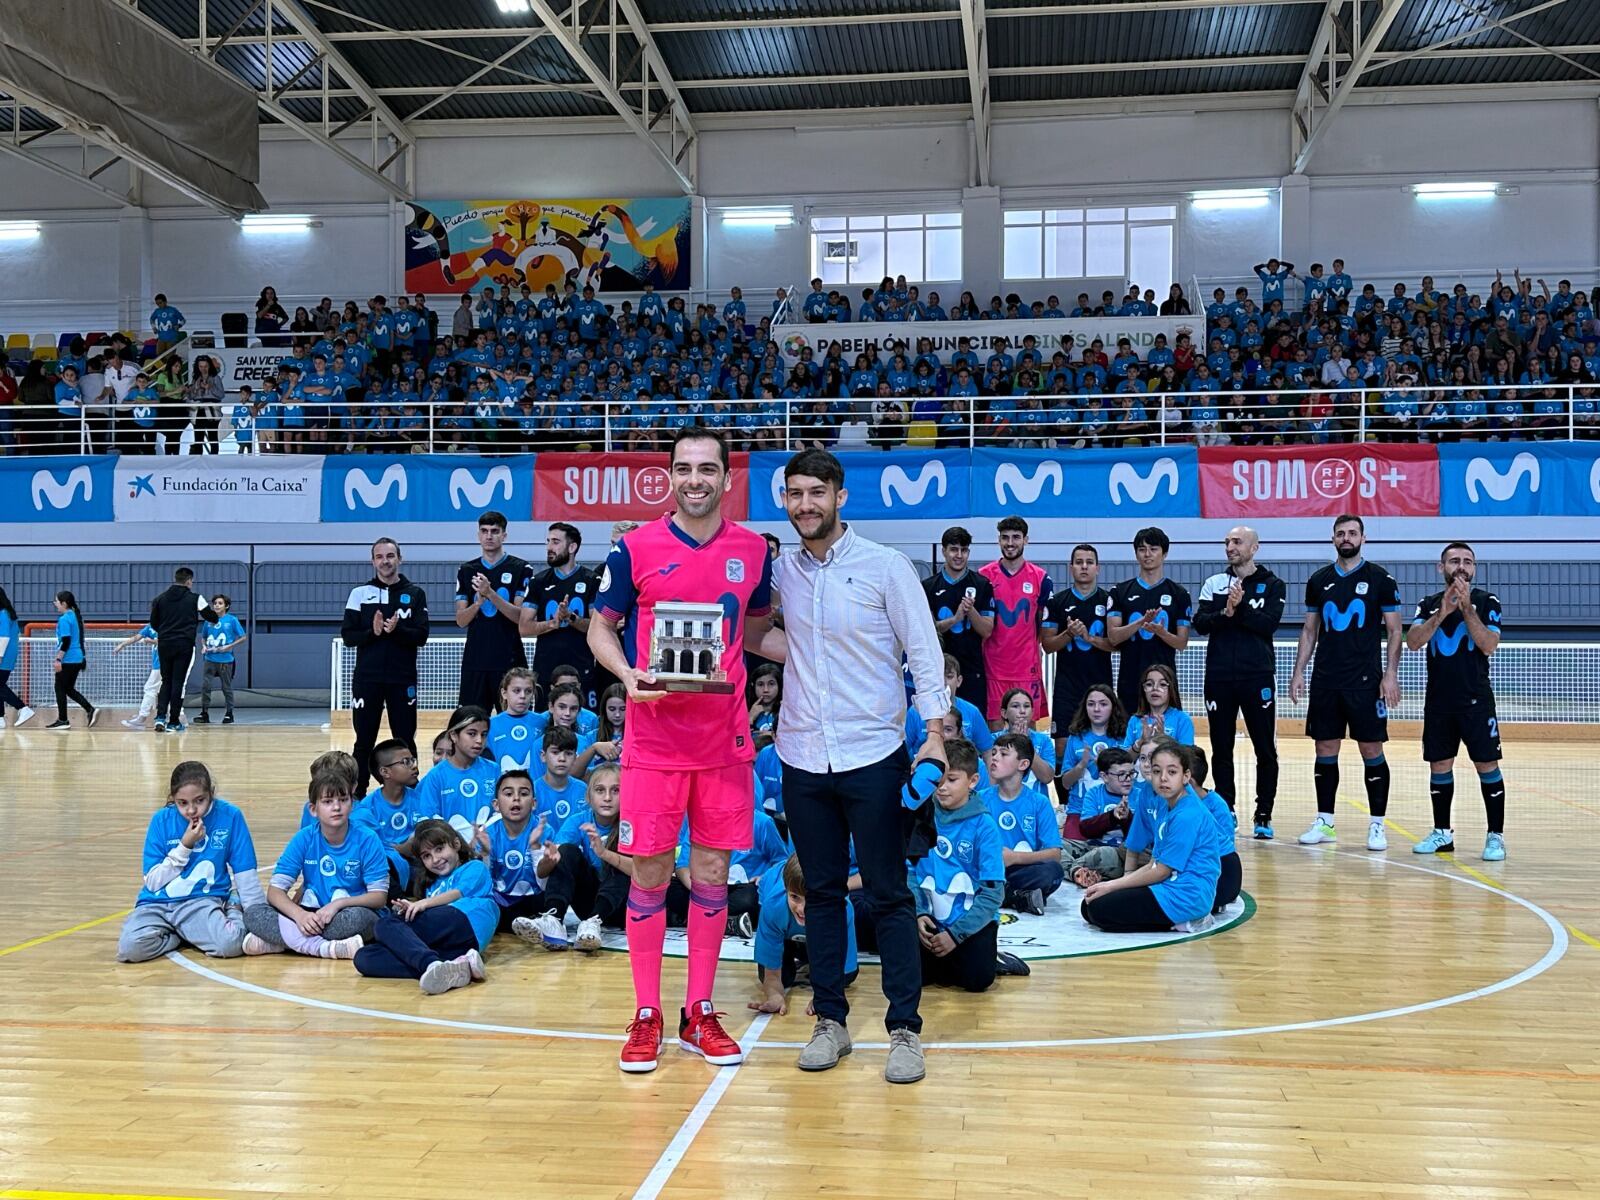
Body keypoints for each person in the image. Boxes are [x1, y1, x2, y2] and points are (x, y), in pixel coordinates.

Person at [588, 427, 775, 1074]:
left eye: (707, 469)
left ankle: (699, 1011)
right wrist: (627, 674)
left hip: (723, 743)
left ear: (728, 479)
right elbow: (600, 627)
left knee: (715, 877)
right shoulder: (633, 549)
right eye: (683, 469)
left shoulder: (754, 551)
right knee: (648, 875)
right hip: (654, 744)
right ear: (668, 476)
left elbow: (754, 629)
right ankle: (647, 1014)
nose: (694, 480)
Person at [767, 447, 950, 1085]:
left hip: (874, 754)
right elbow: (763, 635)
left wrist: (933, 736)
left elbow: (924, 654)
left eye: (817, 492)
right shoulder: (781, 568)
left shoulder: (886, 566)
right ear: (784, 500)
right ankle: (831, 1022)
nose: (806, 505)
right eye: (795, 494)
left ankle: (905, 1030)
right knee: (819, 894)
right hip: (802, 755)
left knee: (890, 894)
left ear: (840, 496)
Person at [1290, 514, 1403, 851]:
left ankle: (1377, 825)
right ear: (1333, 539)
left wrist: (1390, 673)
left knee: (1371, 749)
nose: (1346, 538)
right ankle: (1325, 821)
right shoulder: (1318, 579)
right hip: (1326, 679)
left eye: (1352, 532)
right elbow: (1310, 630)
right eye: (1341, 533)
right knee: (1324, 748)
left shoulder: (1381, 579)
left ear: (1363, 538)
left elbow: (1395, 630)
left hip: (1365, 681)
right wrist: (1299, 671)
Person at [1406, 542, 1509, 861]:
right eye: (1454, 561)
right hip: (1439, 701)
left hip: (1476, 700)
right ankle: (1442, 833)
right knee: (1439, 765)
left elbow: (1489, 644)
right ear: (1442, 568)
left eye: (1467, 561)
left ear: (1474, 569)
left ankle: (1495, 837)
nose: (1461, 567)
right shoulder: (1428, 604)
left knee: (1486, 765)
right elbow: (1412, 642)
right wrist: (1444, 613)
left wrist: (1465, 609)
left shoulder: (1486, 601)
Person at [1191, 526, 1285, 840]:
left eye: (1237, 541)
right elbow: (1201, 623)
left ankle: (1264, 814)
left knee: (1265, 748)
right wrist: (1226, 611)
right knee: (1221, 748)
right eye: (1227, 541)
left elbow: (1267, 625)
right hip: (1219, 677)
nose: (1230, 546)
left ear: (1254, 547)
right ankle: (1226, 809)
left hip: (1257, 676)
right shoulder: (1214, 583)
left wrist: (1239, 608)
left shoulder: (1272, 584)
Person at [116, 761, 259, 962]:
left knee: (230, 944)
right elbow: (153, 882)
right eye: (182, 803)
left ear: (211, 793)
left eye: (199, 800)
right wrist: (185, 846)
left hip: (199, 902)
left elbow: (245, 872)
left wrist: (256, 915)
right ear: (173, 799)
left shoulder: (230, 816)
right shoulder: (161, 820)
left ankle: (232, 906)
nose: (191, 810)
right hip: (156, 904)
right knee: (129, 949)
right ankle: (182, 934)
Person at [1082, 739, 1224, 933]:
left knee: (1099, 909)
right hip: (1169, 888)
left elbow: (1161, 871)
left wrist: (1111, 886)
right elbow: (1153, 863)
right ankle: (1174, 919)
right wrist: (1115, 886)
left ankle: (1190, 919)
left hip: (1187, 896)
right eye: (1157, 771)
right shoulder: (1166, 805)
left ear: (1186, 776)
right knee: (1089, 905)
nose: (1163, 778)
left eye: (1172, 772)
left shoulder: (1187, 814)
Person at [243, 769, 387, 959]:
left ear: (351, 804)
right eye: (328, 802)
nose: (337, 807)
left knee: (360, 920)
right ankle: (324, 948)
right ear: (313, 809)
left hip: (348, 912)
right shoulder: (304, 838)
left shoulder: (368, 839)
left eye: (343, 800)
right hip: (310, 914)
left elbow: (379, 897)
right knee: (253, 913)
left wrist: (338, 904)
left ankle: (282, 943)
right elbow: (275, 892)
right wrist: (299, 915)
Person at [354, 819, 491, 994]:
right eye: (427, 856)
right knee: (365, 958)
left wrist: (422, 904)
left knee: (384, 924)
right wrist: (410, 909)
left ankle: (430, 964)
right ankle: (458, 968)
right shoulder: (431, 884)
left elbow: (457, 893)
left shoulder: (474, 867)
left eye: (439, 849)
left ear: (456, 844)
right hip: (454, 947)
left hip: (465, 922)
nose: (435, 859)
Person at [911, 738, 1003, 993]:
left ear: (972, 781)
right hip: (929, 921)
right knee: (916, 978)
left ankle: (992, 956)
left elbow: (993, 893)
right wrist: (918, 913)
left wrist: (955, 935)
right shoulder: (922, 815)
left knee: (977, 982)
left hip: (969, 924)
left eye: (951, 780)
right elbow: (908, 871)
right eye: (938, 780)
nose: (942, 788)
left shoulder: (985, 826)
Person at [343, 538, 429, 796]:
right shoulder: (359, 594)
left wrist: (397, 629)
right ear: (373, 561)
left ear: (399, 559)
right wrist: (373, 631)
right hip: (367, 679)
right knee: (364, 740)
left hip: (402, 679)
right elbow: (348, 636)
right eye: (379, 556)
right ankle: (358, 796)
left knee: (404, 739)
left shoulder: (415, 594)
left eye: (390, 556)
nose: (385, 561)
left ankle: (413, 794)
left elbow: (421, 636)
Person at [515, 760, 625, 951]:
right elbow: (543, 872)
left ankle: (594, 922)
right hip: (588, 904)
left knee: (622, 864)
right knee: (566, 850)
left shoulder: (629, 824)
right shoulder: (578, 820)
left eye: (615, 790)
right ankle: (554, 921)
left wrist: (604, 853)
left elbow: (641, 873)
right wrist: (548, 859)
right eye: (600, 790)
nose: (607, 797)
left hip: (620, 906)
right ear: (588, 797)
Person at [748, 853, 859, 1017]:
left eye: (810, 900)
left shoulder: (842, 908)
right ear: (786, 891)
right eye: (795, 897)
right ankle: (801, 955)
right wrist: (775, 995)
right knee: (779, 977)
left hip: (821, 933)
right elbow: (771, 976)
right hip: (784, 933)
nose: (802, 909)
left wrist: (824, 996)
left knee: (847, 976)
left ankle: (810, 957)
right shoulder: (772, 907)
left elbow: (840, 972)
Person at [1107, 528, 1192, 717]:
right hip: (1130, 681)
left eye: (1153, 549)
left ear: (1165, 553)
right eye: (1142, 549)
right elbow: (1113, 637)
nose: (1147, 554)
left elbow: (1181, 643)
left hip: (1164, 682)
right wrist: (1140, 623)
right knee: (1129, 740)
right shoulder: (1120, 591)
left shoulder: (1179, 594)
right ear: (1136, 553)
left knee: (1166, 741)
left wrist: (1161, 632)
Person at [1040, 543, 1114, 761]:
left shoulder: (1108, 601)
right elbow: (1047, 645)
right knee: (1063, 750)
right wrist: (1069, 634)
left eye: (1089, 563)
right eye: (1079, 562)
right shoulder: (1057, 602)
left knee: (1103, 750)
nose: (1084, 567)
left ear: (1098, 568)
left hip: (1101, 686)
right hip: (1067, 688)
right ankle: (1065, 797)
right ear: (1071, 567)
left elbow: (1117, 644)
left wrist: (1089, 638)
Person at [455, 510, 533, 714]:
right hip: (476, 661)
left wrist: (490, 593)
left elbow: (520, 617)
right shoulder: (466, 570)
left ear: (504, 535)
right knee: (471, 722)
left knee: (513, 720)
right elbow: (461, 620)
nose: (489, 536)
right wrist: (478, 603)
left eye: (495, 531)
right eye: (484, 531)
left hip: (509, 660)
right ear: (478, 535)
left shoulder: (521, 568)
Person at [979, 516, 1052, 729]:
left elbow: (1041, 622)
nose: (1010, 543)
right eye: (1005, 538)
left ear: (1026, 540)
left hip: (1026, 669)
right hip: (993, 668)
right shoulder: (984, 576)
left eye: (1016, 537)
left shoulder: (1040, 578)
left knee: (1026, 735)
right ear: (999, 540)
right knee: (995, 735)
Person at [983, 733, 1064, 914]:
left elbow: (1055, 854)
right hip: (987, 868)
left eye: (1003, 754)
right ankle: (1017, 896)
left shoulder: (1039, 802)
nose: (994, 758)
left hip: (1019, 870)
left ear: (1023, 764)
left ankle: (1003, 894)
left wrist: (1014, 857)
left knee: (1053, 872)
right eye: (994, 753)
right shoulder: (980, 800)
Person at [523, 522, 596, 708]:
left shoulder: (591, 580)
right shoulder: (538, 582)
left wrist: (571, 618)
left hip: (582, 667)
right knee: (545, 722)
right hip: (546, 669)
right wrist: (551, 624)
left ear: (572, 547)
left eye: (555, 542)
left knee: (583, 721)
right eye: (548, 542)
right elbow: (524, 627)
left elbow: (598, 626)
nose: (549, 547)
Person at [922, 527, 995, 712]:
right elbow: (927, 630)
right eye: (954, 549)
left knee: (972, 726)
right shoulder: (928, 587)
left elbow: (987, 630)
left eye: (964, 550)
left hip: (972, 670)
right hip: (940, 670)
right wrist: (955, 619)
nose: (959, 555)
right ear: (944, 551)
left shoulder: (982, 584)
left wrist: (971, 611)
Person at [149, 566, 220, 734]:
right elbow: (212, 617)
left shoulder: (159, 599)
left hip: (165, 644)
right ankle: (173, 722)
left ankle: (160, 717)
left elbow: (153, 623)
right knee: (177, 682)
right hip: (184, 644)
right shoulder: (195, 598)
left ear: (176, 579)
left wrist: (166, 632)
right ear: (189, 581)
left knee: (166, 681)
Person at [416, 706, 501, 840]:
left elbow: (500, 812)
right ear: (454, 735)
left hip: (488, 849)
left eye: (484, 734)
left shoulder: (494, 769)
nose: (479, 740)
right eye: (472, 734)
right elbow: (429, 822)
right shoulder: (436, 776)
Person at [47, 590, 96, 730]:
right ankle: (89, 708)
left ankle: (63, 720)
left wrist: (58, 659)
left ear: (64, 603)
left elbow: (66, 641)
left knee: (59, 687)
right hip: (78, 657)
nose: (55, 604)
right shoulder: (74, 616)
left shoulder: (64, 619)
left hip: (69, 659)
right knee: (67, 688)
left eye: (56, 601)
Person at [195, 595, 246, 725]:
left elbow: (243, 637)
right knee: (206, 686)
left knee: (226, 687)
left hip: (225, 660)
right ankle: (204, 713)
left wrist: (230, 646)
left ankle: (229, 713)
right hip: (210, 658)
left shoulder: (231, 620)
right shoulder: (208, 621)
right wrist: (204, 646)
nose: (216, 605)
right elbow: (204, 637)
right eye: (215, 603)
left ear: (226, 606)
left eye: (220, 603)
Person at [1122, 664, 1195, 748]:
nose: (1155, 688)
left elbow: (1187, 756)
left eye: (1163, 684)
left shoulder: (1182, 719)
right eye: (1149, 684)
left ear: (1171, 690)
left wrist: (1164, 740)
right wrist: (1140, 742)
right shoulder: (1135, 720)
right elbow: (1125, 758)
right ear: (1143, 690)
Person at [487, 667, 540, 772]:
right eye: (517, 691)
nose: (523, 696)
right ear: (504, 693)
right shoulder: (490, 725)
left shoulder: (543, 722)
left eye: (528, 691)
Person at [0, 584, 35, 727]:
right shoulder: (7, 613)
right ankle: (0, 719)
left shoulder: (2, 613)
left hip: (4, 655)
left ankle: (23, 708)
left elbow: (4, 637)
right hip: (8, 654)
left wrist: (0, 655)